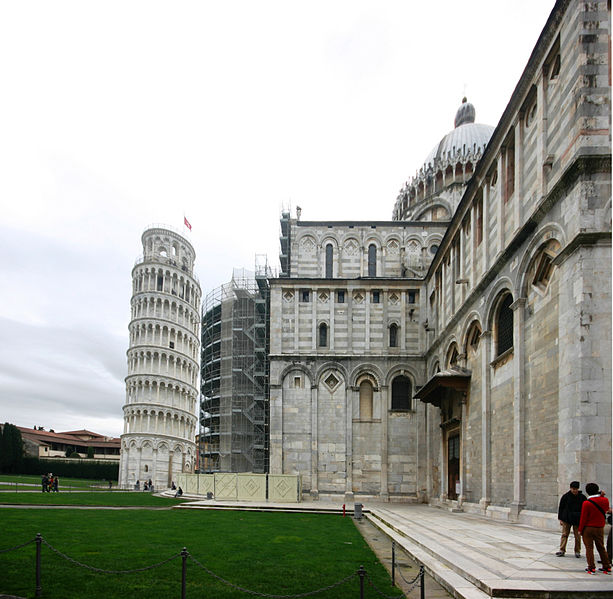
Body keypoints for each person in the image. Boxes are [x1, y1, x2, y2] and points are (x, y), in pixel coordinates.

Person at [578, 482, 611, 574]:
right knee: (601, 547)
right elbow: (606, 509)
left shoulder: (586, 503)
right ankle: (606, 566)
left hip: (588, 528)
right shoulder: (605, 500)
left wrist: (580, 529)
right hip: (600, 527)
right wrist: (602, 495)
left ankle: (591, 567)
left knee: (589, 548)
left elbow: (583, 518)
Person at [556, 481, 585, 557]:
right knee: (564, 534)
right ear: (570, 488)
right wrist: (561, 519)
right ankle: (562, 549)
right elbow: (561, 508)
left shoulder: (582, 497)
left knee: (577, 536)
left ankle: (577, 551)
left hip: (577, 519)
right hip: (567, 518)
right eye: (573, 489)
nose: (574, 491)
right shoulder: (565, 496)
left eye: (576, 489)